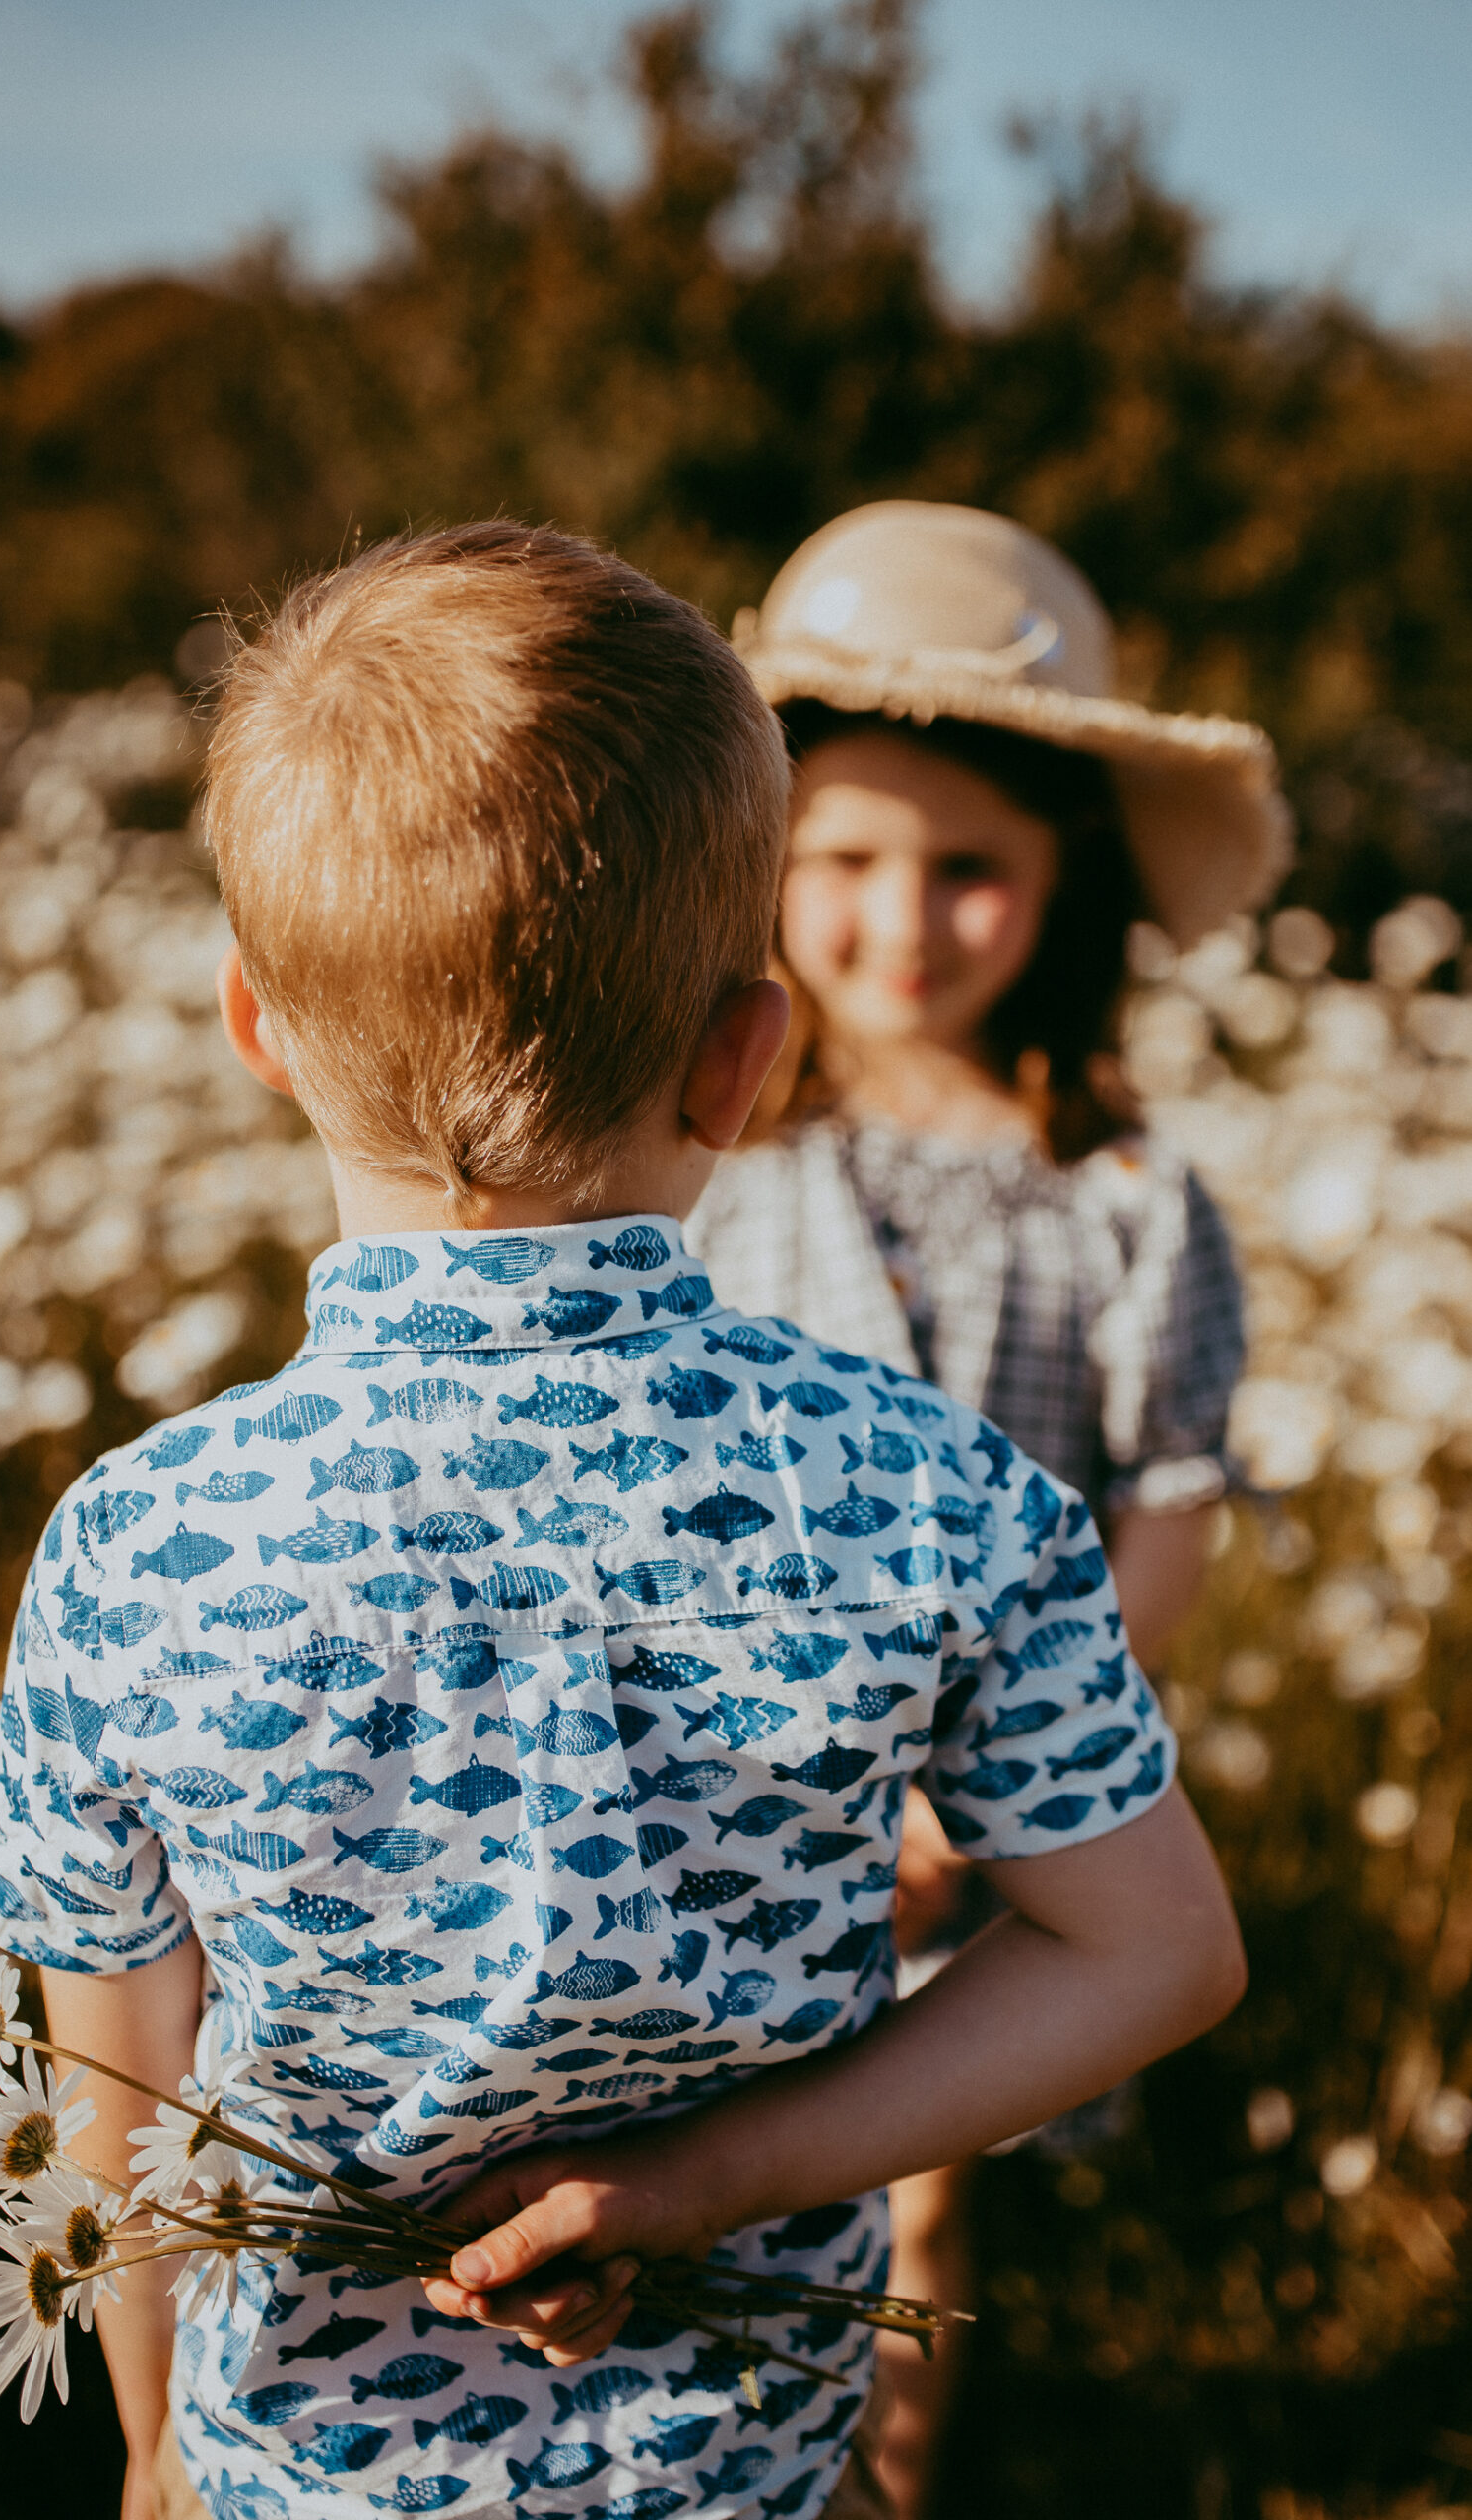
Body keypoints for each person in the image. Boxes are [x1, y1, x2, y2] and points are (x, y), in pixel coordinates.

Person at [0, 522, 1247, 2520]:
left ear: (256, 1029)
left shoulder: (136, 1550)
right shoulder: (942, 1497)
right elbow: (1159, 1949)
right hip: (743, 2465)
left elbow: (110, 2094)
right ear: (752, 1053)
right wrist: (700, 2179)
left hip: (298, 2468)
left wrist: (147, 2445)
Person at [685, 499, 1291, 2515]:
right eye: (844, 861)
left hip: (995, 1804)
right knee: (694, 2210)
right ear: (764, 870)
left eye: (971, 868)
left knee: (914, 2214)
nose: (903, 916)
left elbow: (1172, 1507)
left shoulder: (1122, 1191)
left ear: (1064, 885)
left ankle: (885, 2489)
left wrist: (994, 1792)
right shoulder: (699, 1148)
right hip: (717, 1783)